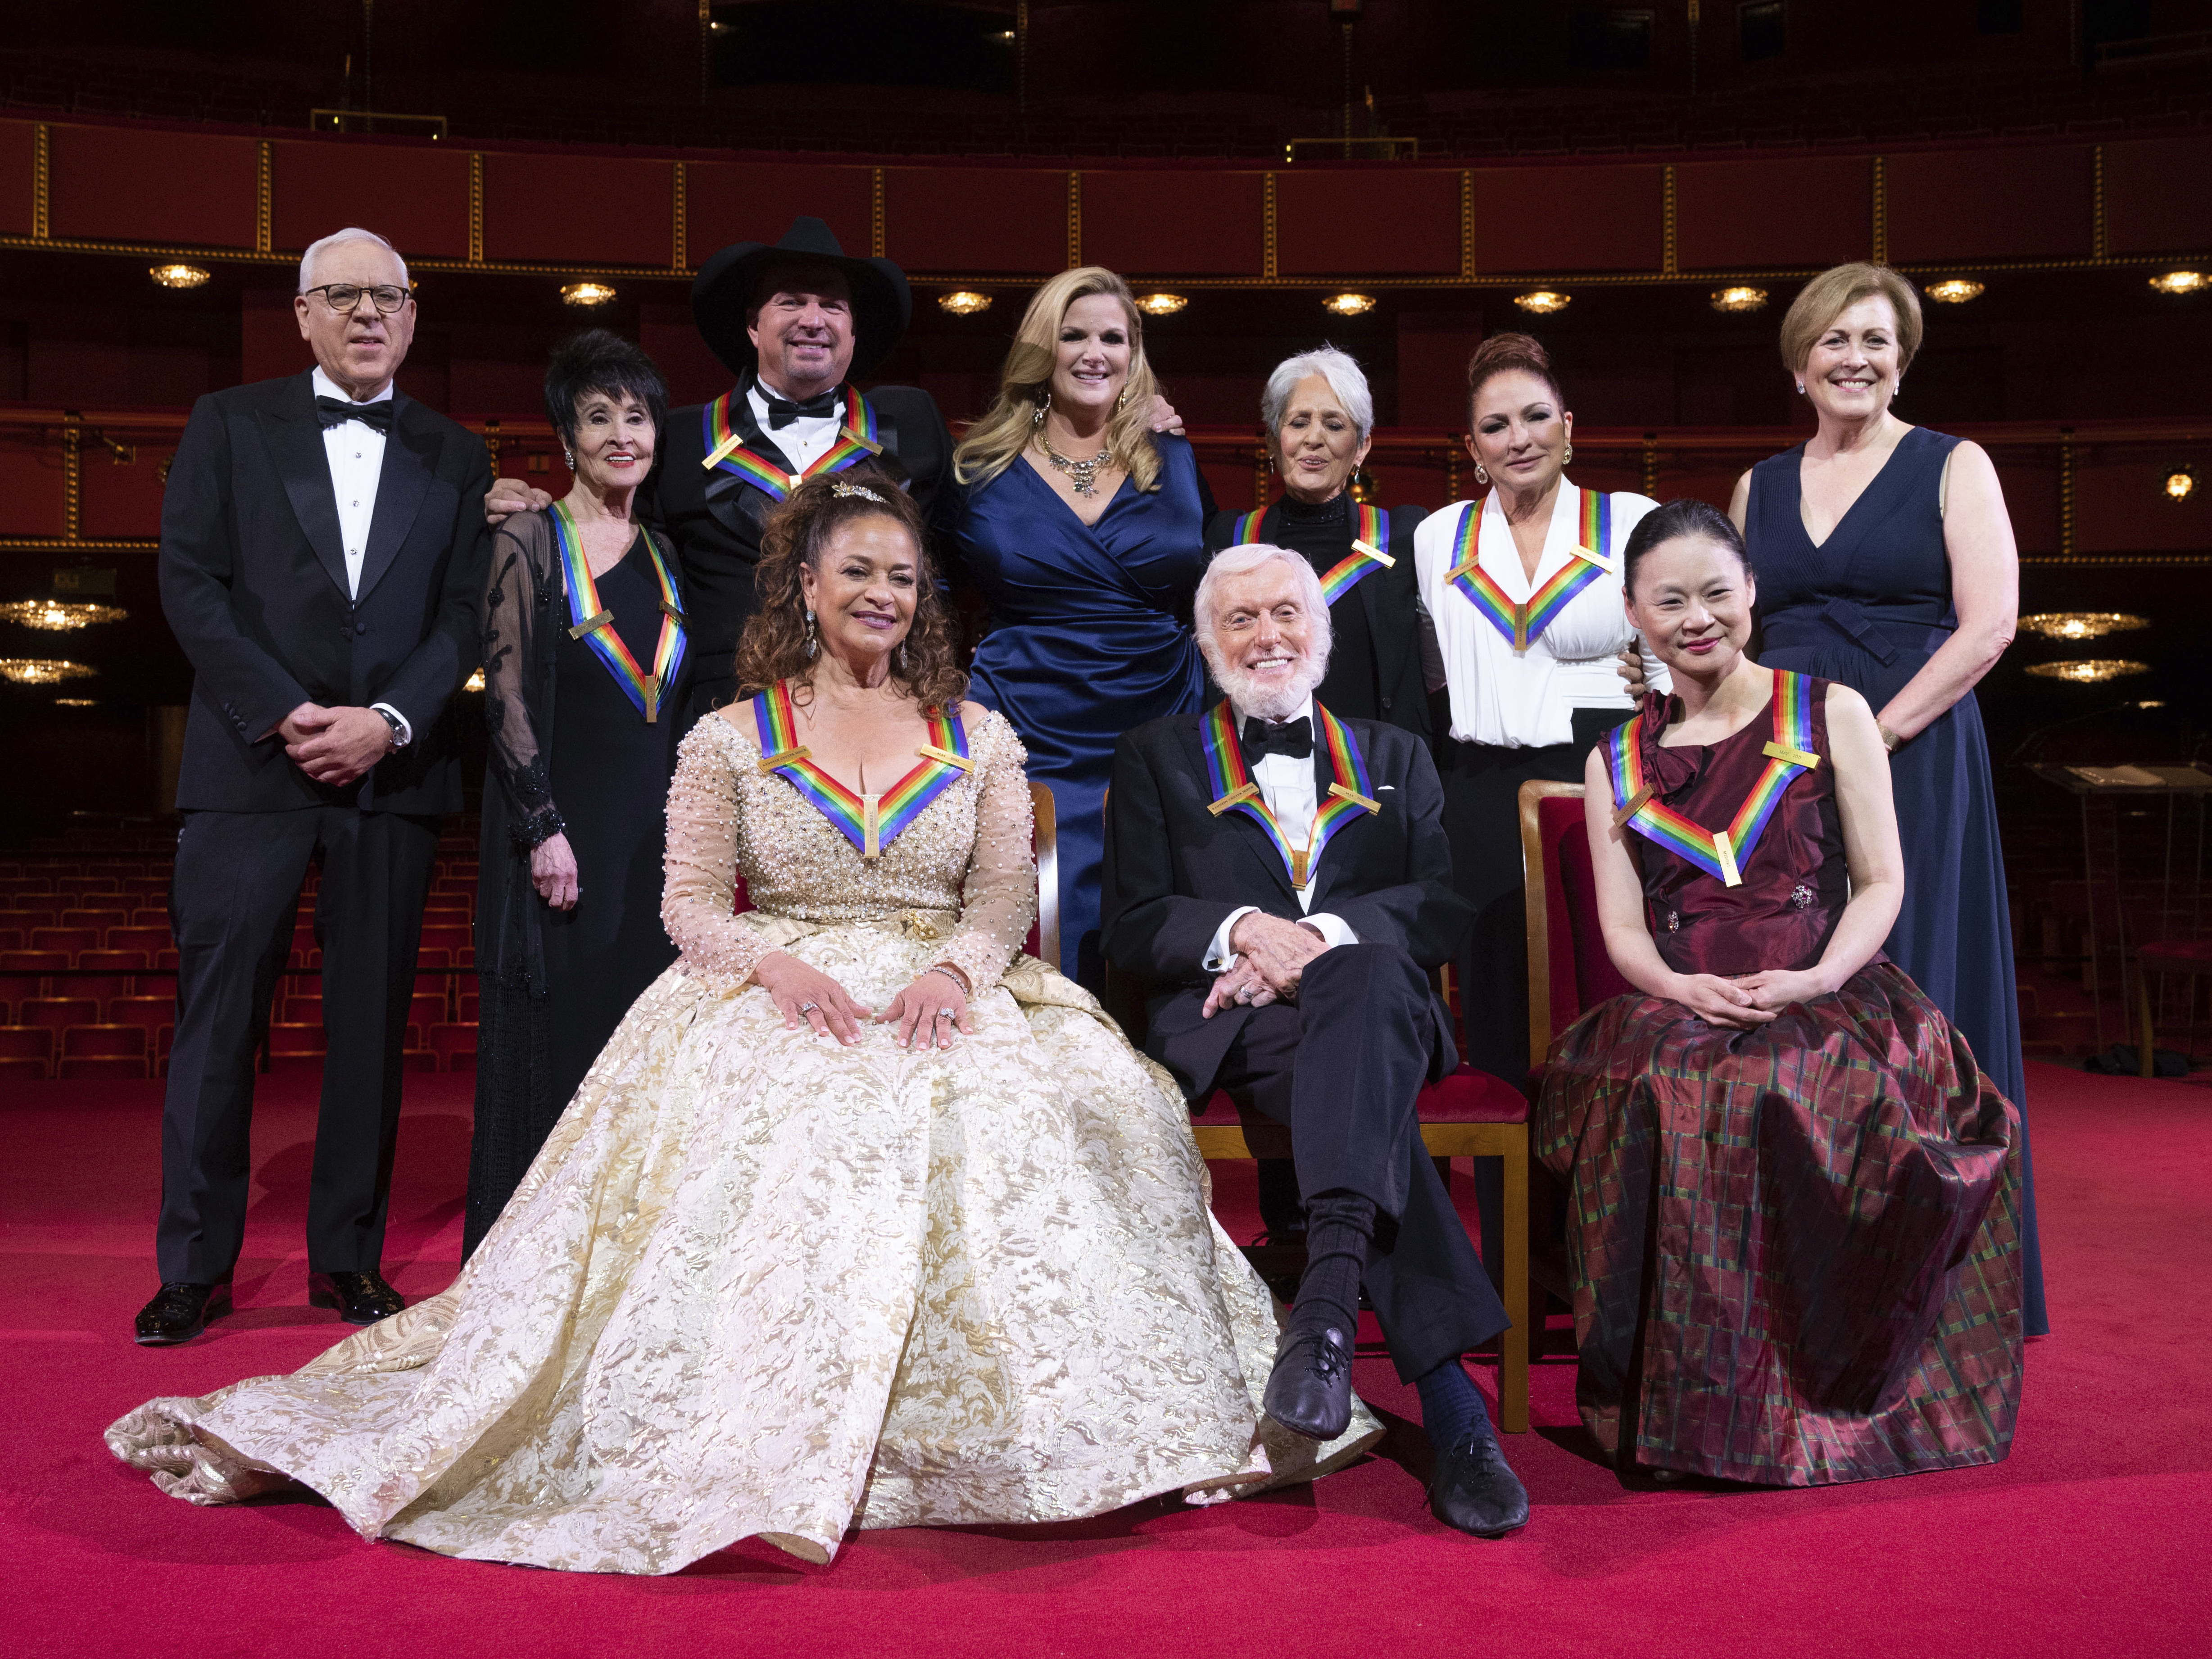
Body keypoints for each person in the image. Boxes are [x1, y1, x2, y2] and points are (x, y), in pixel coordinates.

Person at [108, 474, 1382, 1574]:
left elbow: (1000, 900)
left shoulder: (982, 732)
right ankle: (763, 1420)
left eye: (905, 575)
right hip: (772, 978)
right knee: (807, 1103)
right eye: (859, 572)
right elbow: (685, 906)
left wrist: (957, 971)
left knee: (1096, 1101)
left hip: (952, 982)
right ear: (808, 589)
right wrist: (773, 967)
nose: (885, 592)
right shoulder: (729, 736)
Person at [1541, 498, 2022, 1484]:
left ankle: (1813, 1400)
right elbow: (1623, 931)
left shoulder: (1828, 711)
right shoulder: (1614, 761)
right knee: (1672, 1089)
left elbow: (1881, 881)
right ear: (1632, 613)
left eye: (1716, 592)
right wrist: (1682, 991)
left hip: (1827, 985)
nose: (1696, 617)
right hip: (1679, 1001)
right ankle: (1690, 1410)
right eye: (1668, 601)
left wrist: (1817, 976)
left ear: (1751, 591)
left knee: (1788, 1085)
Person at [1101, 543, 1529, 1540]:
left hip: (1372, 1009)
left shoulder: (1397, 754)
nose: (1266, 636)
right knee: (1360, 1057)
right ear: (1207, 642)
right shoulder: (1156, 755)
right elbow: (1132, 922)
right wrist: (1241, 932)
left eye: (1285, 613)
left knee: (1370, 973)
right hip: (1234, 1020)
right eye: (1240, 619)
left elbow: (1434, 905)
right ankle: (1452, 1405)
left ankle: (1325, 1297)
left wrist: (1324, 943)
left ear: (1322, 633)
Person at [137, 226, 490, 1346]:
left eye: (387, 295)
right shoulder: (229, 424)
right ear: (301, 315)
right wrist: (287, 711)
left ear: (414, 313)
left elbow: (463, 616)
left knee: (372, 1026)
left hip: (392, 777)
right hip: (252, 768)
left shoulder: (456, 451)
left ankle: (348, 1260)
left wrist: (386, 723)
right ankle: (193, 1267)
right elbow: (190, 582)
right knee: (217, 1022)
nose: (366, 314)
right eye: (341, 295)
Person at [485, 216, 954, 725]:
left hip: (881, 710)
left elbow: (957, 556)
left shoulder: (912, 426)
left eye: (832, 305)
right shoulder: (679, 439)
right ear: (753, 325)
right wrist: (539, 510)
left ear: (853, 330)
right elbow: (613, 545)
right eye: (791, 302)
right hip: (726, 714)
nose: (813, 319)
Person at [466, 330, 689, 1257]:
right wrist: (542, 826)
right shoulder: (526, 536)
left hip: (653, 848)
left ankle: (621, 1264)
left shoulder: (667, 549)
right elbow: (505, 692)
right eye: (598, 418)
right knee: (559, 1052)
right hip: (561, 838)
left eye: (635, 416)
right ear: (565, 441)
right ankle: (535, 1270)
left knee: (636, 1053)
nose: (621, 435)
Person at [1414, 333, 1663, 1092]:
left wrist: (1648, 680)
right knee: (1494, 1015)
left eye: (1535, 417)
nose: (1517, 438)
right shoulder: (1435, 537)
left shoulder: (1631, 522)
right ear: (1472, 446)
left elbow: (1685, 657)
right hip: (1476, 792)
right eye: (1495, 425)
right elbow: (1430, 678)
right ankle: (1504, 1206)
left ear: (1568, 426)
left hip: (1600, 783)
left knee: (1605, 1005)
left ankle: (1606, 1202)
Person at [951, 266, 1211, 987]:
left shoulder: (1176, 455)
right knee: (1033, 908)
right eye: (1074, 335)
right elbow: (934, 592)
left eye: (1113, 338)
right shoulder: (979, 466)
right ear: (1044, 349)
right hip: (1027, 717)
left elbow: (1208, 584)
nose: (1094, 353)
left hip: (1163, 711)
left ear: (1134, 355)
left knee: (1163, 901)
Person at [1205, 346, 1430, 737]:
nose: (1314, 439)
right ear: (1276, 441)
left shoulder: (1404, 537)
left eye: (1335, 424)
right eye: (1299, 422)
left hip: (1378, 762)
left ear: (1362, 447)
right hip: (1254, 758)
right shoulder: (1231, 537)